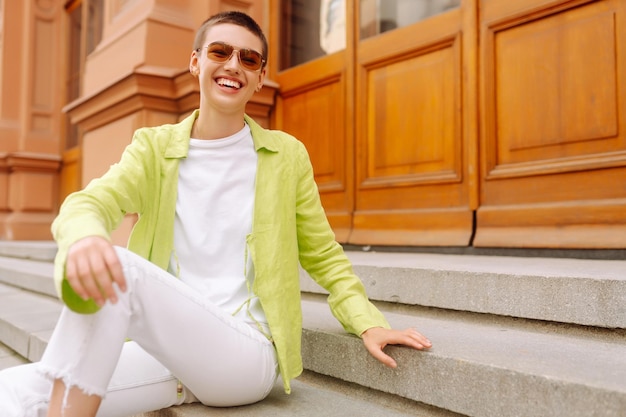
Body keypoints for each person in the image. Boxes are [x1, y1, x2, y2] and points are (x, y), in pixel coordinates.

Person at [0, 10, 431, 417]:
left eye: (249, 58)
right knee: (14, 392)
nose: (233, 65)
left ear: (260, 78)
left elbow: (323, 254)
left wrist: (367, 322)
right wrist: (84, 238)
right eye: (219, 52)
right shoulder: (154, 148)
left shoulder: (285, 156)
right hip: (172, 350)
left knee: (119, 271)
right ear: (195, 62)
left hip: (247, 355)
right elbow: (88, 203)